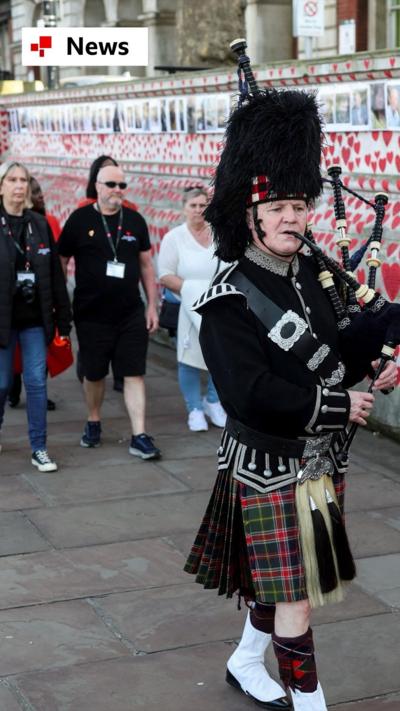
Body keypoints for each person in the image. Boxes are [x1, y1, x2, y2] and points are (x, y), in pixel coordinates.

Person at [184, 85, 398, 711]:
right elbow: (249, 394)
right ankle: (311, 704)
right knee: (297, 591)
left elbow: (347, 343)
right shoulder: (226, 298)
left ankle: (247, 659)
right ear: (247, 213)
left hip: (322, 462)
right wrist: (339, 407)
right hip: (266, 465)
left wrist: (383, 358)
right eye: (276, 205)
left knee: (278, 586)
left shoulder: (313, 270)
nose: (292, 218)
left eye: (300, 204)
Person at [57, 163, 161, 460]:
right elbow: (62, 260)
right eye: (112, 185)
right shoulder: (79, 220)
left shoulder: (135, 220)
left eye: (122, 186)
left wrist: (152, 306)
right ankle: (93, 420)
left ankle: (139, 435)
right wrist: (61, 301)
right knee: (95, 374)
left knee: (134, 373)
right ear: (97, 186)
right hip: (91, 314)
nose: (118, 191)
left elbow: (145, 265)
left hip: (130, 312)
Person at [0, 161, 72, 471]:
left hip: (33, 321)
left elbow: (56, 276)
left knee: (36, 383)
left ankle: (39, 447)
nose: (19, 185)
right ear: (1, 185)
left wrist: (63, 322)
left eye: (23, 180)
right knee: (1, 384)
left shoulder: (39, 224)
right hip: (2, 322)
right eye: (12, 179)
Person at [158, 187, 226, 432]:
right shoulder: (174, 238)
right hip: (186, 306)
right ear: (184, 207)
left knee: (221, 356)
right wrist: (194, 291)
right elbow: (165, 274)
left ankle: (213, 401)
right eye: (193, 205)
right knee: (187, 359)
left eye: (202, 205)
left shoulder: (221, 235)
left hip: (219, 307)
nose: (198, 210)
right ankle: (194, 408)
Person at [77, 155, 137, 391]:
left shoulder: (130, 211)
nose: (115, 187)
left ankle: (123, 376)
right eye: (107, 177)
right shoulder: (84, 210)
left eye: (119, 181)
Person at [8, 175, 62, 410]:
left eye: (39, 190)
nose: (39, 194)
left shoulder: (46, 222)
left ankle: (36, 392)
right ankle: (12, 386)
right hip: (11, 304)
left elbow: (57, 263)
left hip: (40, 301)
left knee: (38, 357)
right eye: (35, 191)